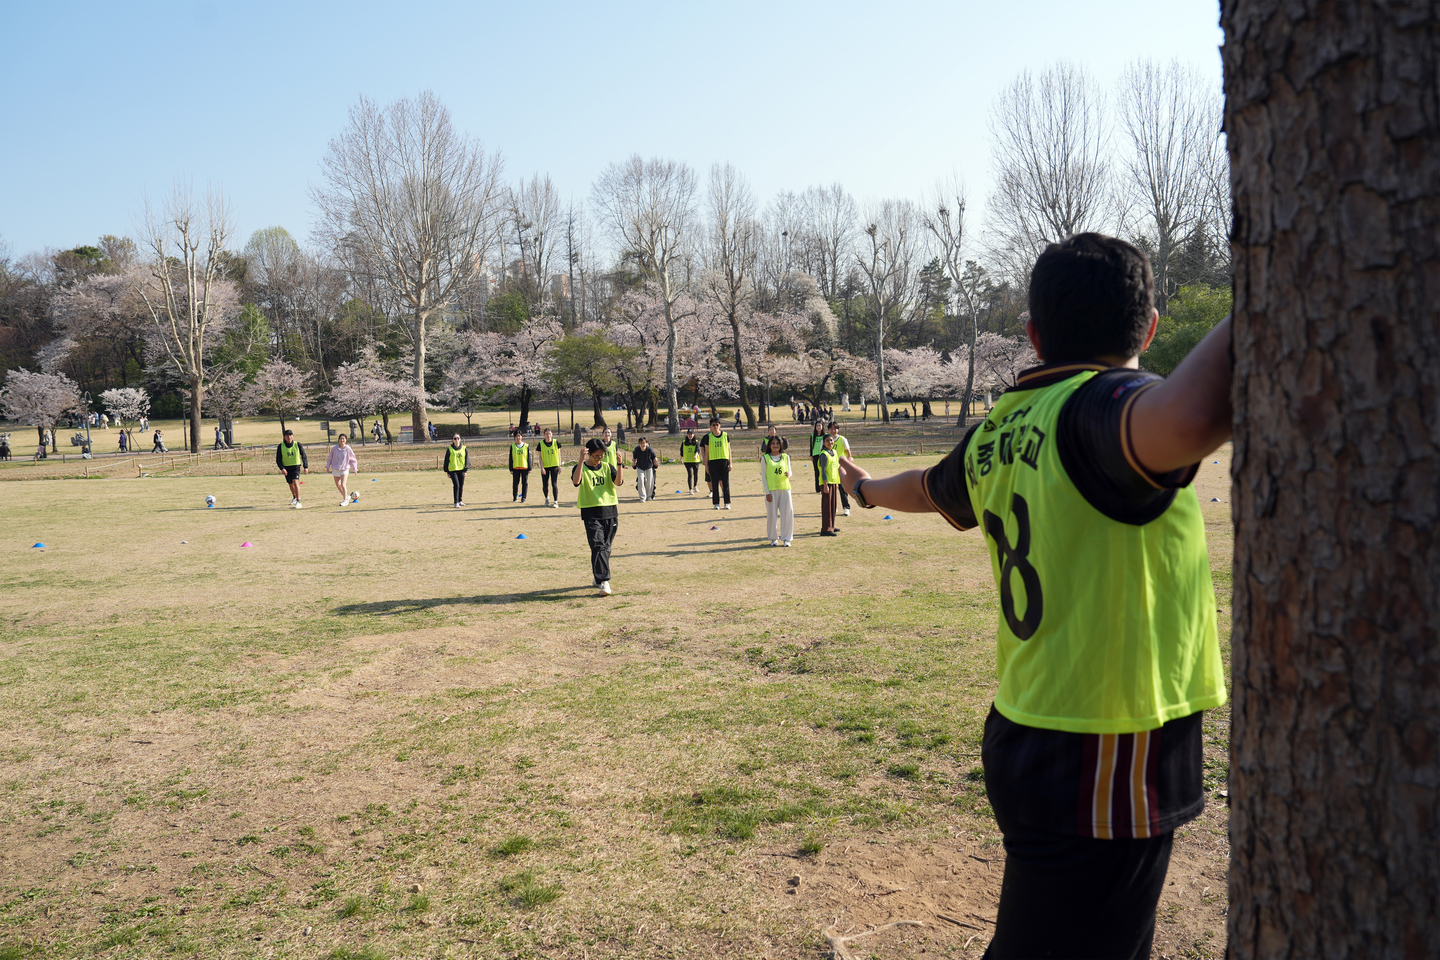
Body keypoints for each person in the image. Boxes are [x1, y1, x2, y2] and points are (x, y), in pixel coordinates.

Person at [838, 233, 1231, 959]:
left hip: (1029, 725)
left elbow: (926, 488)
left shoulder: (1002, 426)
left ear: (1033, 335)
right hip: (1105, 740)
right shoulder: (1101, 406)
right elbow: (1192, 418)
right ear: (1148, 330)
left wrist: (864, 491)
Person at [573, 437, 623, 597]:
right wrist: (580, 461)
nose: (599, 459)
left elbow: (618, 482)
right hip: (591, 512)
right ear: (588, 453)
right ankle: (604, 581)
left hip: (610, 511)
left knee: (605, 547)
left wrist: (619, 464)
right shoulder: (581, 467)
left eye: (602, 456)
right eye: (596, 456)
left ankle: (597, 577)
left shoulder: (608, 467)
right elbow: (576, 482)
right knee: (598, 545)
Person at [760, 435, 794, 547]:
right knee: (772, 515)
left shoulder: (785, 457)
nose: (776, 446)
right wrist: (767, 492)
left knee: (787, 514)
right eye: (773, 443)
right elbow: (764, 476)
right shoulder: (765, 458)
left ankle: (787, 538)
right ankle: (773, 538)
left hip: (785, 488)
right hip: (772, 490)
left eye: (778, 443)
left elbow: (790, 470)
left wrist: (789, 474)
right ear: (769, 445)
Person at [699, 416, 733, 510]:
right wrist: (706, 465)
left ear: (720, 425)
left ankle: (727, 503)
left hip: (724, 461)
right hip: (713, 462)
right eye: (713, 425)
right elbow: (707, 452)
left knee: (725, 483)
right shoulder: (708, 437)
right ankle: (716, 503)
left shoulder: (725, 435)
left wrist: (730, 463)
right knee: (715, 483)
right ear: (710, 426)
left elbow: (729, 449)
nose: (715, 426)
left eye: (717, 424)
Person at [274, 428, 309, 508]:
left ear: (293, 436)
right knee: (290, 483)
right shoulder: (281, 446)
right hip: (286, 467)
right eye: (287, 435)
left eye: (290, 435)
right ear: (284, 437)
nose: (289, 437)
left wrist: (306, 467)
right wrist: (282, 468)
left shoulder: (297, 444)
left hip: (296, 466)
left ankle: (298, 501)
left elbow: (304, 456)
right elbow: (278, 459)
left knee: (296, 482)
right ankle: (294, 496)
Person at [826, 421, 853, 516]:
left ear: (838, 429)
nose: (833, 431)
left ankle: (846, 508)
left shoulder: (843, 439)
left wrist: (848, 465)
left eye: (835, 429)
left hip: (841, 468)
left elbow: (849, 454)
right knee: (832, 489)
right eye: (831, 429)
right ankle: (833, 507)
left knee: (843, 488)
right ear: (828, 430)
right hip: (830, 468)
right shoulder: (825, 440)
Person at [326, 434, 360, 506]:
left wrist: (355, 469)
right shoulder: (334, 449)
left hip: (345, 468)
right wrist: (328, 466)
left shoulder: (348, 449)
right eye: (341, 439)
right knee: (338, 485)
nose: (342, 440)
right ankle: (346, 497)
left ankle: (345, 501)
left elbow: (353, 459)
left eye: (343, 439)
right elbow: (330, 458)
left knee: (343, 485)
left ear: (346, 440)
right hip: (336, 468)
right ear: (338, 440)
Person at [535, 427, 564, 508]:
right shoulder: (541, 444)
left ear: (552, 434)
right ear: (544, 435)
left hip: (554, 465)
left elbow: (559, 455)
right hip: (545, 466)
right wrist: (542, 467)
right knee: (545, 484)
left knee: (554, 483)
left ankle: (555, 501)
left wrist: (559, 465)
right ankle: (546, 498)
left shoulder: (556, 442)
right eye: (547, 434)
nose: (548, 435)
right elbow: (540, 457)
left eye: (549, 434)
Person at [817, 433, 840, 536]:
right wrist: (825, 485)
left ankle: (832, 526)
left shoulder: (834, 452)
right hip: (826, 483)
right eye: (827, 441)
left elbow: (836, 467)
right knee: (827, 506)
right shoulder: (824, 454)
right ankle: (826, 529)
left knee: (833, 505)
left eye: (831, 440)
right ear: (824, 443)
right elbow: (823, 470)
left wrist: (837, 483)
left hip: (833, 482)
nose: (830, 442)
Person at [443, 433, 469, 507]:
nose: (456, 440)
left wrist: (465, 470)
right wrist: (447, 471)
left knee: (461, 485)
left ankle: (460, 500)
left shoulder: (464, 448)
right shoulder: (450, 449)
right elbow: (446, 460)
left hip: (461, 470)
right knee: (456, 485)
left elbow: (467, 459)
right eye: (455, 438)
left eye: (458, 438)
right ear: (452, 440)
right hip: (453, 470)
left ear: (460, 439)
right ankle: (456, 502)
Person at [631, 435, 658, 502]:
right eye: (641, 443)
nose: (642, 444)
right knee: (640, 480)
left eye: (643, 443)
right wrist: (633, 464)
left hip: (648, 467)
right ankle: (642, 497)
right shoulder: (637, 450)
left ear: (646, 443)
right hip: (640, 467)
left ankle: (649, 496)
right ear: (639, 444)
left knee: (649, 482)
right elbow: (634, 458)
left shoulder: (649, 450)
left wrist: (656, 464)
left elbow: (654, 458)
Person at [509, 431, 531, 502]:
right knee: (515, 483)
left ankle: (523, 497)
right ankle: (515, 497)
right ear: (515, 437)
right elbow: (511, 458)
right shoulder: (513, 446)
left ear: (521, 436)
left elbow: (529, 457)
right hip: (516, 467)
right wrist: (511, 468)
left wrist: (530, 467)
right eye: (516, 436)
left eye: (519, 436)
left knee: (524, 483)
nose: (518, 437)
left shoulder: (526, 446)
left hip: (524, 467)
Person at [679, 428, 702, 495]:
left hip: (695, 461)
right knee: (690, 474)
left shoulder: (696, 442)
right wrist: (681, 459)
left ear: (693, 435)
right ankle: (690, 489)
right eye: (689, 434)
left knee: (696, 474)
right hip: (687, 461)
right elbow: (682, 451)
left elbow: (697, 450)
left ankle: (695, 486)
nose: (690, 435)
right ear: (687, 435)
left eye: (691, 434)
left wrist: (695, 455)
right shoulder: (684, 442)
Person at [808, 421, 827, 493]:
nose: (818, 427)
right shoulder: (813, 436)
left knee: (823, 471)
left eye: (820, 425)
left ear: (822, 426)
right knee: (817, 472)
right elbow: (811, 446)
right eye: (817, 426)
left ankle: (824, 487)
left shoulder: (825, 435)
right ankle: (818, 489)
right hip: (815, 455)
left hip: (823, 455)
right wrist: (811, 455)